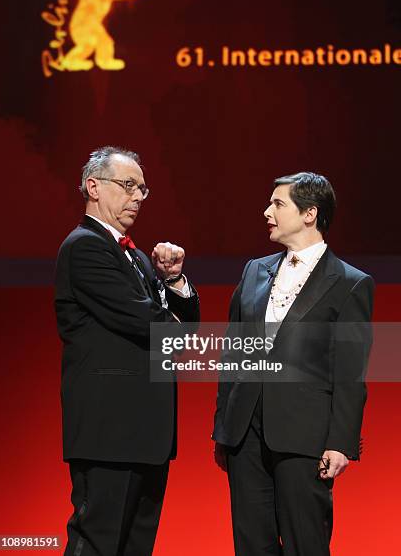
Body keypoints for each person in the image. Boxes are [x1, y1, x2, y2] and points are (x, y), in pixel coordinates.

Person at [213, 172, 374, 555]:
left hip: (306, 438)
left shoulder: (350, 282)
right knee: (251, 544)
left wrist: (341, 442)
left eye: (277, 204)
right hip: (245, 435)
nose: (267, 211)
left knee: (306, 544)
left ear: (309, 214)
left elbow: (351, 372)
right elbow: (233, 352)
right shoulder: (254, 270)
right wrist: (224, 427)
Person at [55, 146, 199, 556]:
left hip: (146, 433)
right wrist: (173, 328)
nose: (137, 196)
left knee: (136, 545)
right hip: (108, 431)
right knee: (97, 543)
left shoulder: (137, 256)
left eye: (142, 188)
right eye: (128, 185)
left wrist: (173, 281)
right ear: (93, 187)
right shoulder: (84, 247)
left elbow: (180, 326)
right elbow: (150, 325)